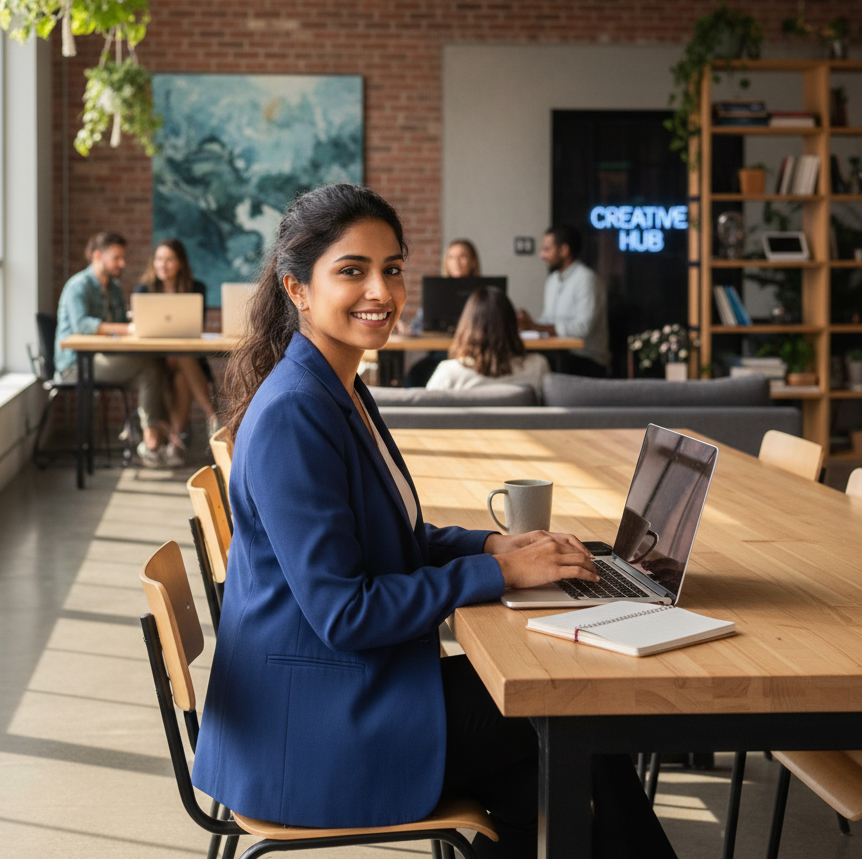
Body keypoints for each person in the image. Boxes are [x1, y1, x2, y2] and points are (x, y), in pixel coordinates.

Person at [191, 184, 677, 859]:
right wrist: (499, 571)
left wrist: (492, 542)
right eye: (352, 271)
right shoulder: (296, 413)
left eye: (391, 269)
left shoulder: (339, 387)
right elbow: (346, 612)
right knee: (568, 723)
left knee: (548, 762)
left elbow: (389, 541)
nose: (380, 292)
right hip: (311, 727)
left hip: (337, 688)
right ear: (297, 289)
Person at [54, 231, 171, 468]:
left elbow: (121, 325)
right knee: (149, 369)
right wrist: (128, 329)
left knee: (154, 367)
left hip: (105, 360)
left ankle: (150, 437)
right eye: (116, 258)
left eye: (123, 258)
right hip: (76, 364)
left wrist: (138, 323)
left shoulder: (115, 288)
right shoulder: (78, 286)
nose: (122, 263)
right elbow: (83, 326)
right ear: (97, 256)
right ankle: (150, 440)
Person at [133, 238, 218, 450]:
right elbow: (139, 330)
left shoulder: (195, 288)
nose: (163, 264)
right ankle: (212, 416)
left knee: (181, 367)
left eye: (169, 259)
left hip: (184, 359)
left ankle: (175, 442)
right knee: (180, 357)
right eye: (159, 259)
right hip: (155, 361)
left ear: (180, 263)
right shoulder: (144, 290)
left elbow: (195, 328)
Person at [517, 224, 611, 378]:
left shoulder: (586, 279)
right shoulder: (553, 280)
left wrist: (536, 326)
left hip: (587, 359)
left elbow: (582, 329)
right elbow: (547, 320)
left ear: (564, 250)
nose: (542, 255)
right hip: (560, 354)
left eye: (547, 249)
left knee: (538, 367)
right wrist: (528, 325)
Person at [427, 285, 550, 401]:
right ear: (512, 325)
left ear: (466, 327)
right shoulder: (538, 366)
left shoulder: (449, 373)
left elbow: (426, 418)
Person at [404, 237, 482, 386]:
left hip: (475, 356)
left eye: (463, 256)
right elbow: (419, 324)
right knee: (414, 375)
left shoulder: (483, 293)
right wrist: (409, 328)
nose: (457, 262)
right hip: (440, 355)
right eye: (451, 257)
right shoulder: (436, 292)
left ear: (473, 261)